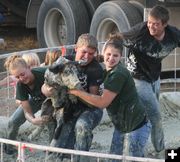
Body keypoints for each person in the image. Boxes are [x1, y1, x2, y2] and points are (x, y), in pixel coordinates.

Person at [69, 34, 151, 160]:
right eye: (108, 55)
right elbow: (95, 58)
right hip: (121, 125)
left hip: (136, 126)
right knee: (113, 159)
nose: (111, 58)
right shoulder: (107, 68)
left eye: (115, 56)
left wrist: (77, 92)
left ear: (121, 57)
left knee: (134, 158)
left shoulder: (118, 74)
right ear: (102, 54)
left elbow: (102, 103)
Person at [121, 5, 180, 153]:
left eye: (156, 24)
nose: (151, 26)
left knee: (148, 114)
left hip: (154, 77)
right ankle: (160, 151)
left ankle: (143, 145)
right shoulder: (140, 31)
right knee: (156, 115)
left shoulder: (173, 35)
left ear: (165, 24)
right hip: (136, 77)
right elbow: (116, 39)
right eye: (149, 22)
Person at [41, 33, 104, 161]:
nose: (87, 57)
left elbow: (92, 101)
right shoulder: (64, 61)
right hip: (68, 107)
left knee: (82, 126)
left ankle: (82, 157)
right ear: (76, 48)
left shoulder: (95, 69)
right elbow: (45, 85)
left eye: (91, 54)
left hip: (90, 108)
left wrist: (76, 91)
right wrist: (48, 90)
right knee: (57, 147)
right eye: (84, 52)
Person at [3, 54, 55, 155]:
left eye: (22, 74)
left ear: (29, 67)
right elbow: (27, 111)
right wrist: (33, 120)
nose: (21, 78)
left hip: (53, 99)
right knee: (13, 121)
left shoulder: (44, 73)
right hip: (36, 99)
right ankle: (9, 147)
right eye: (17, 77)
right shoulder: (20, 84)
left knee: (50, 121)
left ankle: (52, 149)